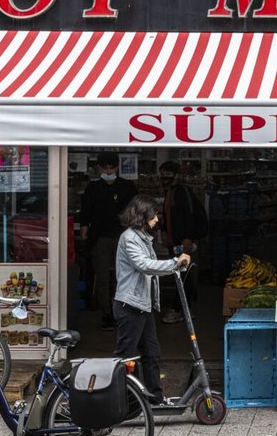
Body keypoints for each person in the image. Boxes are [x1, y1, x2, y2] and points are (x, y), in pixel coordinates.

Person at [113, 195, 191, 406]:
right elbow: (144, 265)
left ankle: (154, 400)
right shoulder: (129, 238)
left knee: (152, 354)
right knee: (125, 356)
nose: (157, 219)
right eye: (154, 214)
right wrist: (175, 263)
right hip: (130, 306)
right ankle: (117, 402)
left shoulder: (142, 236)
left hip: (143, 305)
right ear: (142, 215)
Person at [80, 153, 137, 331]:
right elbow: (85, 212)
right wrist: (85, 233)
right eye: (105, 168)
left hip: (124, 238)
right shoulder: (93, 188)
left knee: (124, 276)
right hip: (100, 238)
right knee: (103, 277)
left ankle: (124, 311)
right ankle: (107, 313)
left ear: (117, 168)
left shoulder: (127, 187)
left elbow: (136, 211)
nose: (108, 171)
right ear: (99, 169)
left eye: (111, 168)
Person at [157, 160, 207, 324]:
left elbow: (190, 216)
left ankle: (180, 310)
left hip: (183, 242)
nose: (165, 177)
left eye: (168, 174)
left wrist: (188, 238)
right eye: (162, 174)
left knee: (181, 276)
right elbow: (168, 216)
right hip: (175, 242)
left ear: (177, 175)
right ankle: (185, 309)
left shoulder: (181, 192)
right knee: (181, 274)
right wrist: (164, 231)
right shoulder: (169, 192)